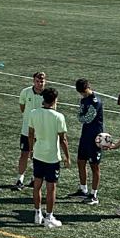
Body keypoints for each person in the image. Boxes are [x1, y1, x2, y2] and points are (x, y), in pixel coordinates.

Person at [26, 88, 70, 229]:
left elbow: (30, 133)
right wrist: (67, 157)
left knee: (37, 184)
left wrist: (31, 149)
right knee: (51, 188)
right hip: (52, 157)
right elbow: (63, 139)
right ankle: (49, 217)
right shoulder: (58, 117)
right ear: (55, 100)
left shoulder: (34, 113)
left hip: (38, 154)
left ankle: (37, 214)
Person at [11, 72, 48, 190]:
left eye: (41, 81)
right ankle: (20, 179)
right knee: (24, 154)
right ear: (33, 81)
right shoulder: (25, 92)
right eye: (37, 81)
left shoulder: (48, 94)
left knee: (38, 155)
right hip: (27, 130)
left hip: (41, 132)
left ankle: (34, 178)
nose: (39, 84)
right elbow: (22, 108)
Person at [71, 78, 104, 205]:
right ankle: (83, 189)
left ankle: (94, 195)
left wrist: (81, 117)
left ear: (88, 88)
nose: (82, 94)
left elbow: (87, 118)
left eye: (84, 92)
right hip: (85, 135)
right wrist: (81, 117)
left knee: (94, 166)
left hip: (95, 137)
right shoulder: (84, 99)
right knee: (80, 161)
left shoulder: (95, 101)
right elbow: (80, 115)